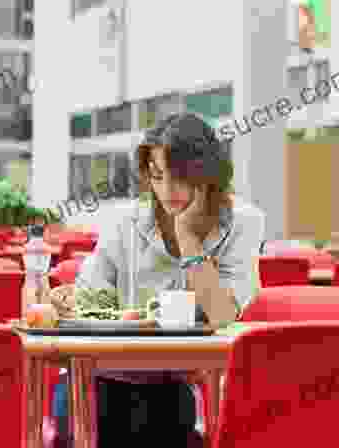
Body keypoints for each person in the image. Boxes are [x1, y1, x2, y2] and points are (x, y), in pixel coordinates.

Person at [49, 112, 265, 447]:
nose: (167, 190)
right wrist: (73, 300)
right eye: (157, 177)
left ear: (208, 174)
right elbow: (90, 302)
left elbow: (222, 315)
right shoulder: (124, 223)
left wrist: (187, 237)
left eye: (179, 177)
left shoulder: (243, 223)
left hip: (168, 384)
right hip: (98, 379)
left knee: (169, 420)